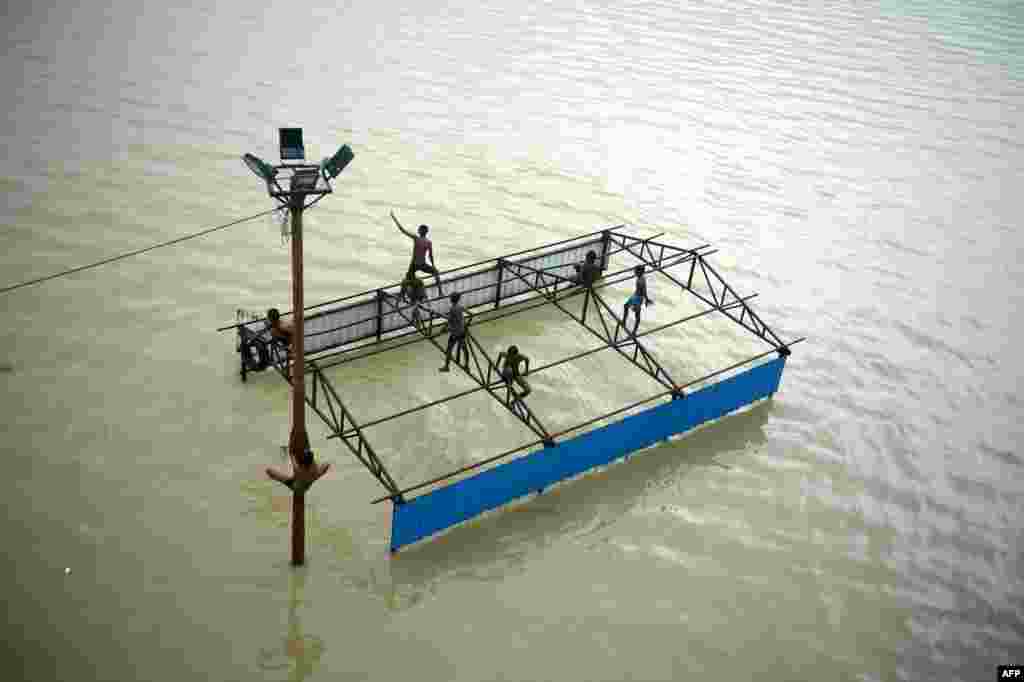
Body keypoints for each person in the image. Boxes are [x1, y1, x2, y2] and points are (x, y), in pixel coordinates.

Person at [392, 210, 443, 296]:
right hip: (422, 264)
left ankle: (402, 295)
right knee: (436, 273)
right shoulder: (428, 242)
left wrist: (394, 218)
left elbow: (403, 230)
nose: (418, 230)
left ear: (420, 231)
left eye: (419, 229)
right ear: (426, 232)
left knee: (406, 280)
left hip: (414, 264)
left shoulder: (416, 238)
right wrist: (433, 265)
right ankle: (440, 292)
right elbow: (430, 256)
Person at [266, 445, 330, 493]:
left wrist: (289, 449)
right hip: (307, 485)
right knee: (325, 465)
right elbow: (323, 466)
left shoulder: (298, 470)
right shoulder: (314, 469)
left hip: (295, 486)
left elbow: (292, 455)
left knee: (269, 471)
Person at [439, 292, 469, 371]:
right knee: (464, 348)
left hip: (455, 333)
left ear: (452, 299)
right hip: (461, 331)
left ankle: (446, 366)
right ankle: (466, 365)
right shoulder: (460, 307)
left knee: (449, 349)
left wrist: (444, 328)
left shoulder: (452, 309)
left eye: (451, 297)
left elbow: (450, 320)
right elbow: (458, 318)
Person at [622, 265, 654, 336]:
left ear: (640, 272)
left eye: (636, 271)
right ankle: (624, 321)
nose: (634, 272)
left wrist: (646, 299)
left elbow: (644, 291)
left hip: (638, 298)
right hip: (635, 295)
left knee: (637, 315)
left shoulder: (641, 280)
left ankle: (634, 332)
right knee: (626, 306)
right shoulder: (640, 277)